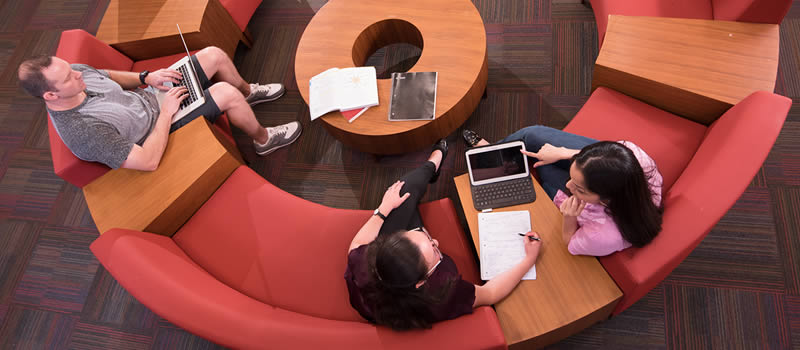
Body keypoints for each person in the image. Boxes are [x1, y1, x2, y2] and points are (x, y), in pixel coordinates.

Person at [345, 139, 542, 330]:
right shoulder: (444, 291)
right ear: (422, 281)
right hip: (413, 300)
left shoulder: (366, 262)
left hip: (397, 285)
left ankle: (433, 164)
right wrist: (529, 259)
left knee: (401, 192)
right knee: (408, 206)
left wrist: (383, 209)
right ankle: (435, 159)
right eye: (433, 247)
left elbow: (357, 244)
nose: (436, 241)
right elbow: (490, 293)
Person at [17, 46, 302, 171]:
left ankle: (248, 93)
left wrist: (146, 77)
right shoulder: (82, 131)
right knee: (224, 93)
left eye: (72, 70)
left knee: (213, 55)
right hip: (159, 131)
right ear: (50, 95)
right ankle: (264, 140)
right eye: (69, 78)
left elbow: (108, 75)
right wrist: (166, 113)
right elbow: (147, 162)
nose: (78, 74)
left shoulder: (75, 72)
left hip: (153, 97)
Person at [463, 126, 663, 257]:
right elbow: (597, 158)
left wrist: (568, 218)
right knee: (532, 138)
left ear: (606, 199)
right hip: (594, 172)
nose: (568, 186)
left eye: (579, 188)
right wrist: (563, 153)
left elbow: (571, 242)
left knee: (540, 165)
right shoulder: (633, 155)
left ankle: (496, 156)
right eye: (572, 179)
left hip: (582, 213)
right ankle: (494, 150)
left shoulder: (602, 235)